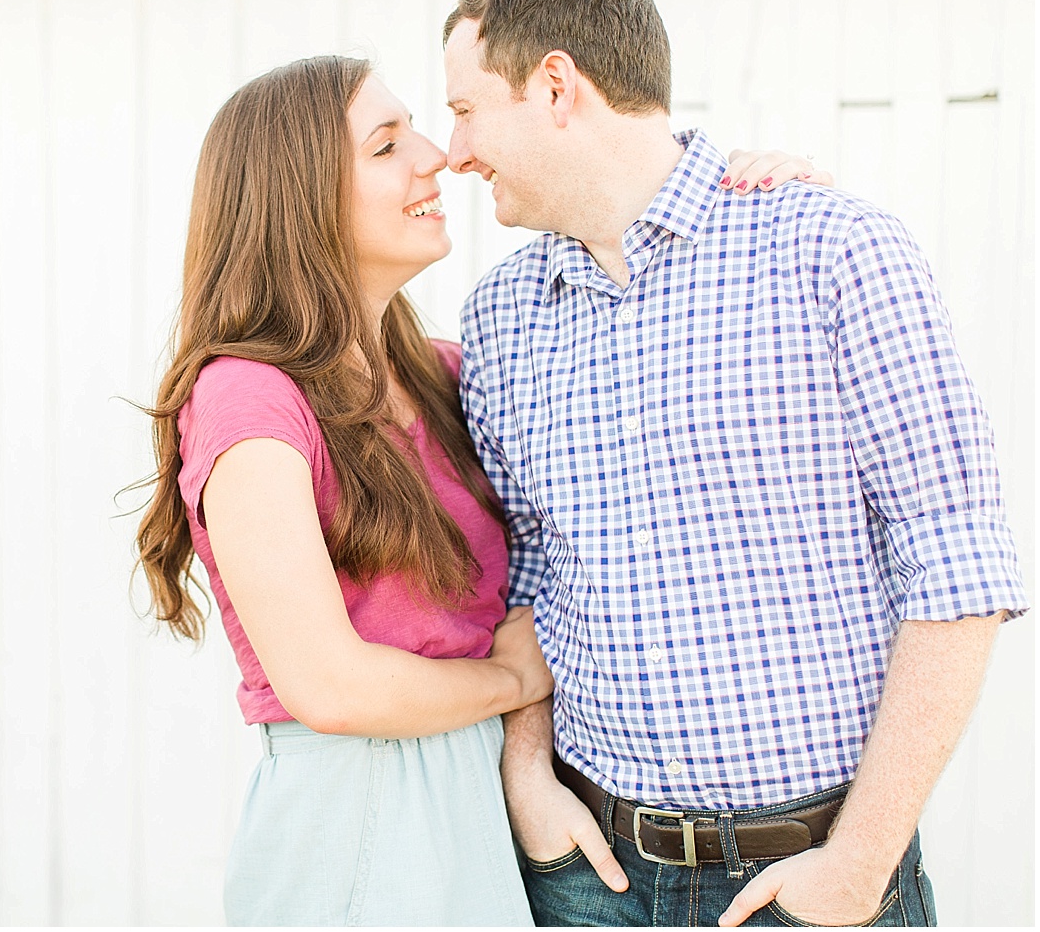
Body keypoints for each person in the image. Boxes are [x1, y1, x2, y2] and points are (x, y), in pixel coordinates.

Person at [133, 53, 822, 926]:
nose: (435, 156)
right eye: (386, 145)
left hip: (472, 801)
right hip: (358, 810)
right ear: (297, 196)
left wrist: (743, 204)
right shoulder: (248, 395)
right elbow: (331, 687)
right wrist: (511, 678)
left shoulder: (444, 377)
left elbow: (645, 401)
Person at [441, 0, 1029, 928]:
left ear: (554, 86)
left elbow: (955, 568)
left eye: (465, 109)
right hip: (591, 876)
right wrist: (524, 771)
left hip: (817, 880)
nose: (452, 149)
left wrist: (858, 862)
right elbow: (526, 569)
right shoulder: (499, 317)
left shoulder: (831, 251)